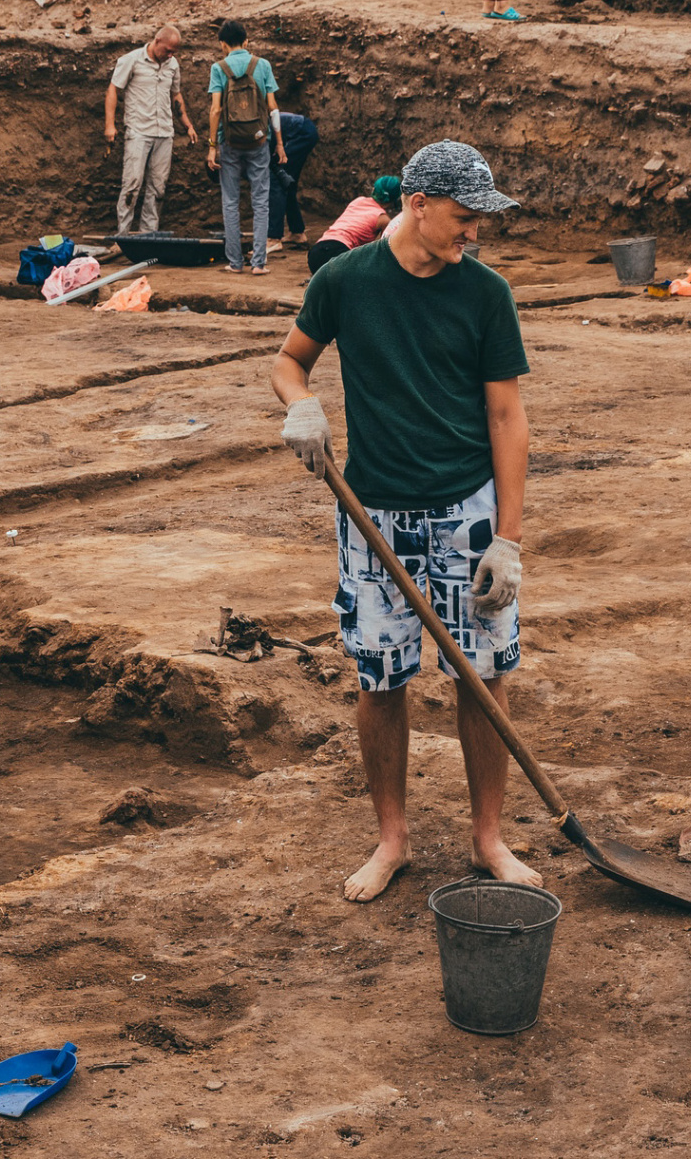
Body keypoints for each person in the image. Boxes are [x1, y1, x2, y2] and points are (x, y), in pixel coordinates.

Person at [271, 141, 534, 902]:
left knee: (483, 677)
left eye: (479, 222)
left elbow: (506, 415)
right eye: (462, 219)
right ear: (417, 206)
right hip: (373, 514)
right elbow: (289, 362)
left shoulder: (484, 293)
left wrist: (507, 538)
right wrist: (303, 405)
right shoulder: (345, 282)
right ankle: (392, 839)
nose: (472, 235)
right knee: (378, 677)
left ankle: (488, 839)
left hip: (467, 512)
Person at [206, 21, 288, 275]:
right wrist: (280, 144)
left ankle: (234, 262)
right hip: (259, 140)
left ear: (223, 44)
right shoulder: (262, 65)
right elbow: (273, 107)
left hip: (229, 142)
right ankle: (259, 264)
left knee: (230, 201)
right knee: (260, 201)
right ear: (246, 41)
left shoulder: (218, 68)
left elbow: (216, 109)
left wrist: (212, 146)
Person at [104, 24, 199, 237]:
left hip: (164, 133)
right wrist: (110, 125)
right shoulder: (131, 60)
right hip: (138, 131)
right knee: (132, 184)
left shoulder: (172, 64)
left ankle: (149, 235)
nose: (171, 55)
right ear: (157, 41)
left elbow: (176, 95)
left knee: (157, 188)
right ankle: (123, 235)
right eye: (167, 50)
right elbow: (113, 90)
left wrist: (187, 124)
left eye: (174, 52)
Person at [308, 176, 403, 273]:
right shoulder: (383, 219)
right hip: (339, 253)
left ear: (374, 189)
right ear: (396, 198)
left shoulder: (358, 201)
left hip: (316, 252)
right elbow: (385, 251)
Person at [271, 102, 320, 248]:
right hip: (303, 131)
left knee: (277, 181)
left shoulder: (254, 128)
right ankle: (297, 233)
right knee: (287, 183)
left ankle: (273, 237)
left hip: (302, 132)